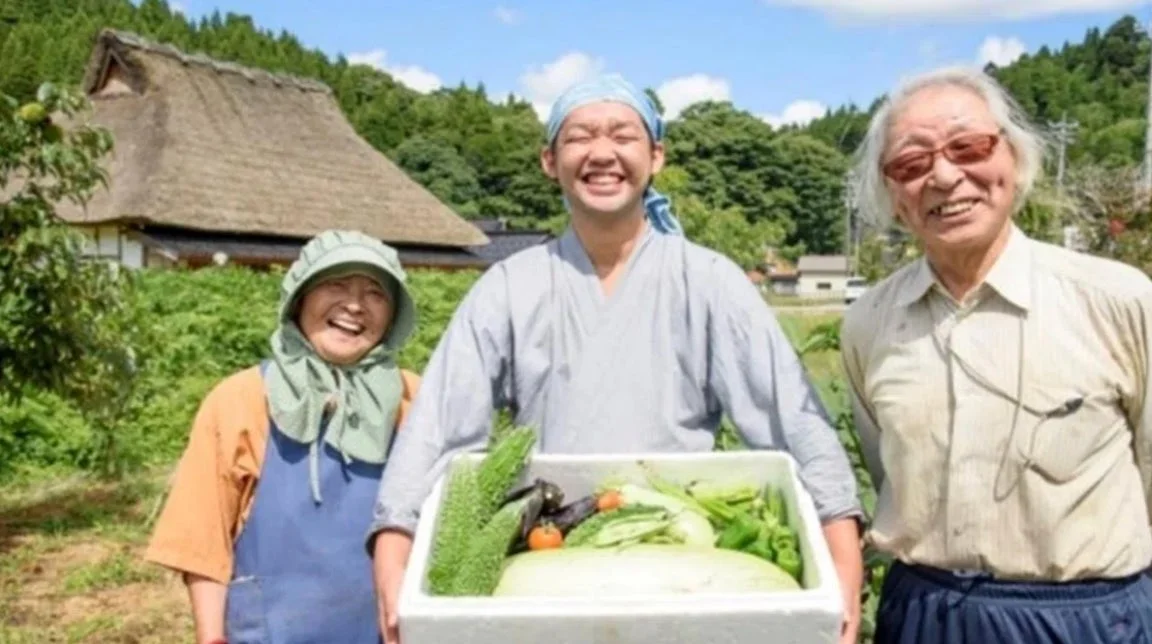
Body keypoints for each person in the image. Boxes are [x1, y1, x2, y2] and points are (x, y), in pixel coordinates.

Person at [369, 73, 866, 644]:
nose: (601, 152)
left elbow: (792, 421)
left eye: (622, 136)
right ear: (549, 161)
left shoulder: (708, 281)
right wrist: (394, 551)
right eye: (580, 136)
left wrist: (841, 573)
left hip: (683, 558)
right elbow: (437, 428)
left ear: (655, 157)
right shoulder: (509, 286)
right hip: (546, 557)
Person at [840, 65, 1152, 644]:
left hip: (1093, 616)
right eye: (911, 163)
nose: (945, 176)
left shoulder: (1120, 301)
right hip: (927, 613)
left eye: (968, 146)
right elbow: (887, 469)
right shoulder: (869, 322)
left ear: (1015, 161)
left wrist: (1130, 611)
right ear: (893, 197)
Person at [144, 230, 423, 644]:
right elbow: (202, 539)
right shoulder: (240, 399)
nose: (354, 305)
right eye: (336, 284)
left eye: (376, 293)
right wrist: (210, 637)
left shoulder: (414, 399)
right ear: (300, 298)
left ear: (394, 317)